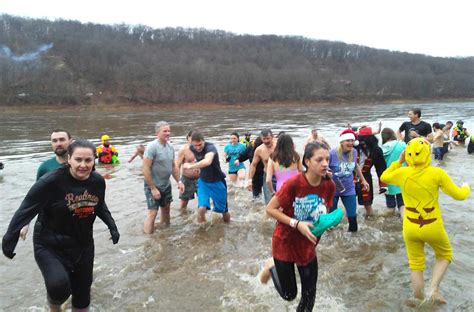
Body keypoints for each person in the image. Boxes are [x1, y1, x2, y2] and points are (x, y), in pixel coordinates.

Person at [2, 139, 120, 311]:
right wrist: (9, 240)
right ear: (69, 159)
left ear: (94, 160)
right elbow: (26, 208)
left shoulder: (97, 181)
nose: (83, 165)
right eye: (78, 159)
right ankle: (54, 306)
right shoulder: (50, 181)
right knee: (59, 286)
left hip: (83, 244)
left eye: (88, 160)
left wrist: (112, 226)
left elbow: (99, 204)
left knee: (82, 294)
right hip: (50, 245)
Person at [381, 137, 470, 304]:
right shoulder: (437, 174)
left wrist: (399, 162)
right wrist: (466, 187)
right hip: (432, 226)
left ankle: (418, 298)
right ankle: (433, 289)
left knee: (415, 263)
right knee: (444, 255)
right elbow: (458, 196)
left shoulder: (402, 173)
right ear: (427, 153)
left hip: (410, 226)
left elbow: (385, 176)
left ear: (407, 155)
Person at [259, 142, 336, 311]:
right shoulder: (294, 183)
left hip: (308, 242)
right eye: (319, 159)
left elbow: (324, 209)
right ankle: (271, 266)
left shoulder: (329, 185)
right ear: (307, 161)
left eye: (327, 159)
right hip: (285, 241)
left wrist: (326, 223)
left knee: (309, 297)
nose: (325, 163)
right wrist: (297, 223)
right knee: (289, 295)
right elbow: (270, 209)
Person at [21, 129, 73, 240]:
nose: (58, 143)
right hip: (49, 223)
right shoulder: (45, 167)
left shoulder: (80, 165)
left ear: (70, 141)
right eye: (54, 141)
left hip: (74, 223)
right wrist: (26, 223)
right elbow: (34, 198)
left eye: (62, 140)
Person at [143, 121, 184, 233]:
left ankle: (165, 234)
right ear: (158, 133)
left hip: (166, 184)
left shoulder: (170, 147)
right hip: (153, 185)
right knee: (153, 212)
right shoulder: (152, 147)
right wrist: (153, 188)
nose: (168, 133)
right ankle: (149, 240)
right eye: (165, 131)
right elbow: (145, 169)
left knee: (166, 210)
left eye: (169, 131)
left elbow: (173, 166)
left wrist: (179, 181)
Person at [329, 129, 369, 232]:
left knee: (352, 217)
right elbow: (323, 168)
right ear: (342, 142)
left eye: (352, 140)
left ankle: (353, 242)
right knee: (332, 219)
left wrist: (363, 180)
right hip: (333, 189)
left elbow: (355, 166)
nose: (350, 143)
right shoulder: (332, 154)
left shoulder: (354, 152)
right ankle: (332, 241)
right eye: (348, 141)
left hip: (349, 189)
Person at [184, 132, 230, 223]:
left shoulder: (210, 148)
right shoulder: (191, 147)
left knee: (223, 210)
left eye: (200, 144)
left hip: (217, 181)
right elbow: (186, 157)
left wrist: (192, 166)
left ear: (203, 141)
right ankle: (202, 230)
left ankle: (227, 225)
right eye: (195, 145)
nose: (198, 147)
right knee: (201, 208)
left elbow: (207, 161)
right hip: (203, 182)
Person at [356, 127, 387, 216]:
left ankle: (371, 218)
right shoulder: (353, 148)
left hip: (366, 177)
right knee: (349, 201)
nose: (363, 143)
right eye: (361, 141)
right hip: (351, 177)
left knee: (367, 203)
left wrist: (383, 185)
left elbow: (381, 168)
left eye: (365, 141)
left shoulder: (376, 150)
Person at [381, 128, 406, 217]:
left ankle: (388, 220)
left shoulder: (381, 148)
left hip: (387, 179)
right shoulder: (402, 145)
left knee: (390, 207)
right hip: (402, 178)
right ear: (393, 135)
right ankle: (404, 223)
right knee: (402, 204)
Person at [247, 129, 276, 204]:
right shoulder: (259, 150)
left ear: (272, 137)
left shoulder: (279, 145)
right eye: (264, 139)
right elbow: (253, 165)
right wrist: (250, 180)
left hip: (281, 175)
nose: (266, 141)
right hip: (268, 177)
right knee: (269, 201)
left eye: (268, 138)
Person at [175, 130, 200, 211]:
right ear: (188, 138)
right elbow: (177, 166)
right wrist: (179, 181)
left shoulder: (201, 148)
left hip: (201, 179)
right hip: (187, 179)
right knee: (184, 203)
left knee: (203, 201)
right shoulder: (183, 150)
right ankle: (183, 217)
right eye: (192, 137)